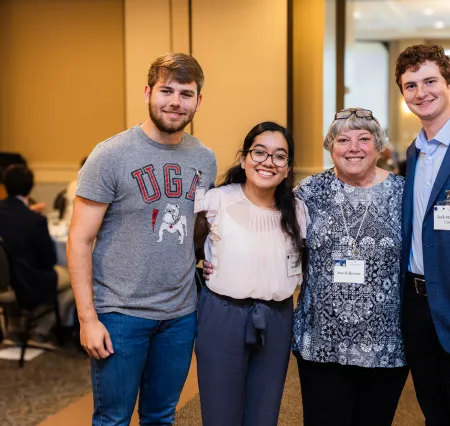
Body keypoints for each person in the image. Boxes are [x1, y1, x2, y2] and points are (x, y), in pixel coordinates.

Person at [66, 53, 217, 426]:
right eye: (166, 90)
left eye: (186, 93)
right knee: (113, 419)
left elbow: (198, 227)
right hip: (120, 313)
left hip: (180, 314)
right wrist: (88, 319)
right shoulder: (110, 155)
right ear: (148, 92)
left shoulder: (204, 158)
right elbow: (79, 240)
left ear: (199, 101)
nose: (175, 102)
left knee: (161, 416)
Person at [293, 108, 408, 426]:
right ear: (330, 146)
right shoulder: (309, 192)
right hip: (322, 343)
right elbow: (275, 239)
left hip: (385, 343)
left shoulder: (403, 193)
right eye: (343, 139)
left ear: (379, 146)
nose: (353, 147)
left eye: (364, 139)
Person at [196, 122, 307, 426]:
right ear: (244, 159)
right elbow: (185, 252)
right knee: (221, 413)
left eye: (279, 156)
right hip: (222, 316)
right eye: (259, 152)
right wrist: (200, 269)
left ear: (287, 168)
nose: (268, 162)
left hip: (277, 318)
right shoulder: (215, 201)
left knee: (264, 413)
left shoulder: (298, 210)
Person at [396, 44, 450, 425]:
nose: (421, 92)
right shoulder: (414, 153)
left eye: (430, 81)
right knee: (434, 406)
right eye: (411, 85)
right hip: (417, 305)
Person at [0, 164, 71, 342]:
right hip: (27, 281)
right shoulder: (35, 221)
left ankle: (16, 327)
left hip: (5, 280)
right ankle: (42, 328)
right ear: (31, 187)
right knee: (74, 279)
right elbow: (49, 261)